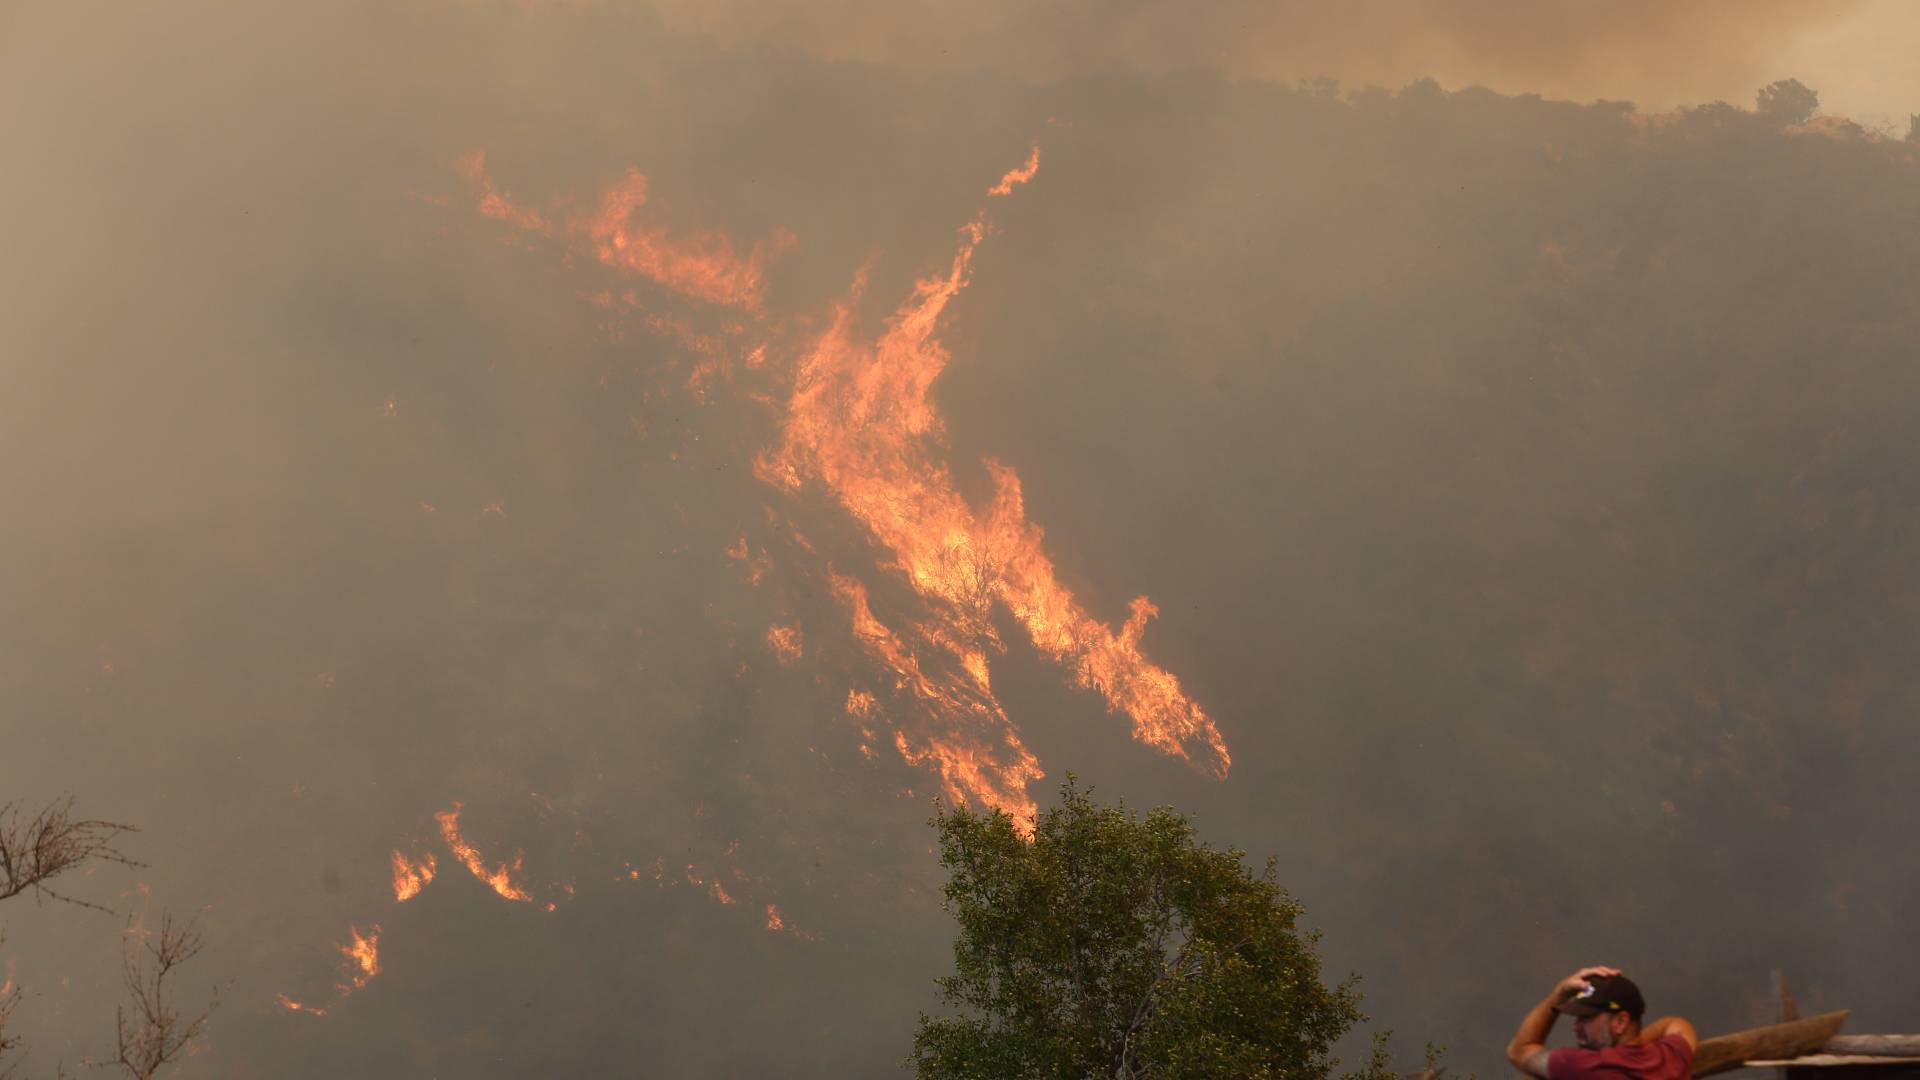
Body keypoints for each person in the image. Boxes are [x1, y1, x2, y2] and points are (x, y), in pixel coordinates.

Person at [1507, 965, 1698, 1080]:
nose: (1576, 1026)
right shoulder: (1671, 1057)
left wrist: (1560, 992)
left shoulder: (1587, 1066)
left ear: (1621, 1022)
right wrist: (1635, 1047)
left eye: (1587, 1018)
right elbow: (1676, 1024)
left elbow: (1519, 1051)